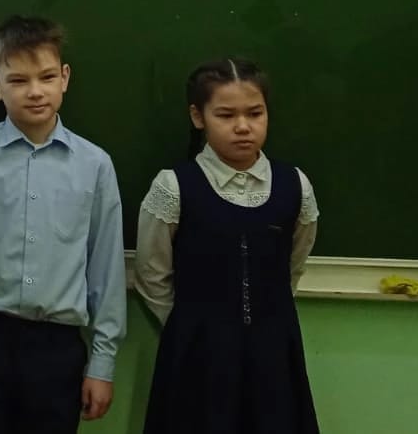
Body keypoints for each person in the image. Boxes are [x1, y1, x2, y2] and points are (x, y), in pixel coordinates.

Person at [0, 15, 126, 434]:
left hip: (56, 346)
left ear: (65, 78)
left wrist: (103, 362)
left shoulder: (95, 164)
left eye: (47, 77)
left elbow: (106, 268)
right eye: (18, 80)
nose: (35, 91)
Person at [137, 58, 321, 434]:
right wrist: (190, 325)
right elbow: (152, 272)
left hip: (274, 351)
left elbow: (294, 261)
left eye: (255, 113)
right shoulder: (173, 186)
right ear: (198, 116)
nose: (242, 127)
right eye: (225, 115)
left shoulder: (295, 185)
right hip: (197, 354)